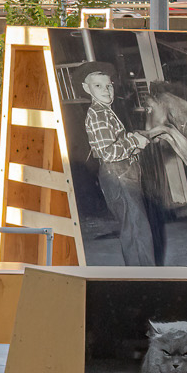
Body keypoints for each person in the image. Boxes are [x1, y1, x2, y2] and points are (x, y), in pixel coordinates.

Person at [74, 65, 156, 266]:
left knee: (134, 228)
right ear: (87, 88)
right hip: (118, 175)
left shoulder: (106, 112)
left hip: (122, 173)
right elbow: (108, 153)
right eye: (98, 85)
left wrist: (132, 142)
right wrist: (134, 142)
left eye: (109, 85)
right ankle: (147, 276)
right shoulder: (98, 114)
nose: (106, 90)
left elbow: (114, 143)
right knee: (137, 230)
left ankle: (142, 275)